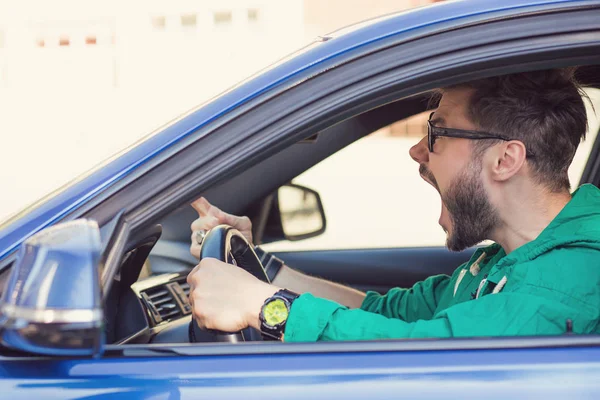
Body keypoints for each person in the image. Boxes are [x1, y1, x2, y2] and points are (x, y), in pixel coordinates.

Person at [187, 69, 600, 342]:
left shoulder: (563, 283)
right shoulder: (500, 263)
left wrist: (264, 307)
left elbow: (423, 358)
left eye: (436, 132)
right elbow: (385, 314)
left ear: (505, 160)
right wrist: (259, 267)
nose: (417, 151)